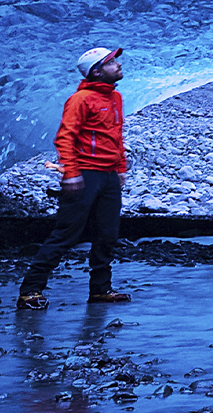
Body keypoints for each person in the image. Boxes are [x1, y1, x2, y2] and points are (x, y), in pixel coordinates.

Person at [17, 47, 132, 310]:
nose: (118, 64)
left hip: (108, 175)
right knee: (67, 233)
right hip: (85, 174)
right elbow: (65, 137)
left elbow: (115, 136)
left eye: (115, 60)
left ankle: (100, 290)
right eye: (112, 62)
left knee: (107, 234)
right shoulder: (80, 100)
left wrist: (121, 167)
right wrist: (70, 173)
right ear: (96, 71)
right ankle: (30, 291)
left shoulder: (115, 98)